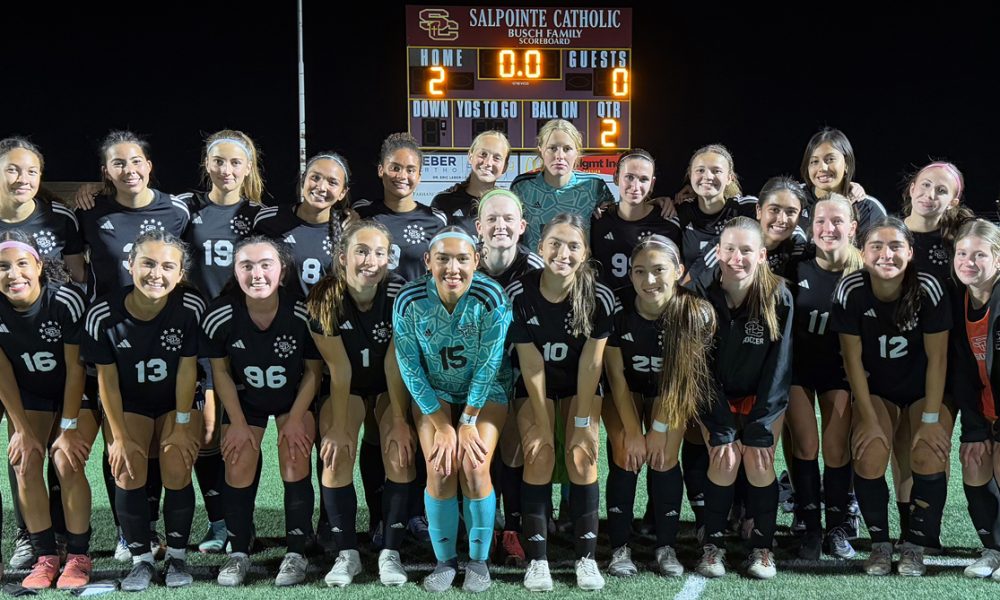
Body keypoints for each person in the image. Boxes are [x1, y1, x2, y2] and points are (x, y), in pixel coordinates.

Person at [81, 230, 205, 591]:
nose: (157, 274)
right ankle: (141, 560)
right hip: (130, 401)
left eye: (168, 266)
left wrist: (182, 424)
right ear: (130, 265)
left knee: (177, 458)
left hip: (176, 401)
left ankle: (179, 556)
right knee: (127, 464)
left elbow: (187, 369)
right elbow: (107, 382)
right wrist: (117, 438)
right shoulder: (103, 312)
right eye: (148, 263)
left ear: (180, 274)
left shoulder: (190, 306)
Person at [392, 226, 512, 592]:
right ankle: (444, 561)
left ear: (477, 260)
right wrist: (443, 425)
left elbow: (490, 364)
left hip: (486, 390)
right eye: (443, 259)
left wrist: (468, 419)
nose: (453, 268)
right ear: (428, 261)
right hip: (436, 391)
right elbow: (409, 366)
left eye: (462, 259)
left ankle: (478, 561)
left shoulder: (491, 296)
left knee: (474, 466)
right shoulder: (409, 300)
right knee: (441, 466)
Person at [831, 217, 951, 577]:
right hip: (877, 388)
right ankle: (881, 544)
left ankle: (914, 546)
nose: (886, 254)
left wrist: (930, 420)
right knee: (870, 451)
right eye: (877, 247)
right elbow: (851, 361)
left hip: (922, 388)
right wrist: (866, 416)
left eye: (896, 246)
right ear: (863, 253)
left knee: (928, 452)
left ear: (910, 253)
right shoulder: (850, 289)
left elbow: (938, 359)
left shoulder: (928, 287)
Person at [201, 236, 322, 587]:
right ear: (235, 271)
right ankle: (238, 552)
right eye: (247, 266)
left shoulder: (302, 311)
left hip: (292, 399)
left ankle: (296, 552)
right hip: (245, 400)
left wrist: (297, 418)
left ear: (281, 270)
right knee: (238, 459)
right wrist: (237, 423)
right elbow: (220, 372)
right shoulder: (221, 313)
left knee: (295, 455)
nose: (257, 274)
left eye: (265, 265)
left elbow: (314, 372)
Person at [507, 213, 615, 591]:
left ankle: (585, 558)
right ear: (539, 247)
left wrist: (582, 424)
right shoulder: (520, 293)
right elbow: (530, 361)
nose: (562, 252)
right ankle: (537, 561)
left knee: (582, 456)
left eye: (573, 245)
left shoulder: (598, 296)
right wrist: (541, 422)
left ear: (584, 254)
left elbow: (591, 363)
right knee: (539, 453)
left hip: (578, 387)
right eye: (554, 243)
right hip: (535, 386)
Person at [307, 220, 416, 587]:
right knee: (337, 452)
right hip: (347, 385)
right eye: (362, 251)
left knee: (399, 449)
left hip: (388, 383)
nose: (371, 260)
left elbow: (395, 362)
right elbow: (338, 369)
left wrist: (399, 418)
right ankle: (346, 553)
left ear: (390, 258)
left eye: (379, 253)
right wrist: (336, 430)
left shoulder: (400, 293)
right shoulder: (323, 299)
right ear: (343, 257)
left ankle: (391, 552)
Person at [603, 234, 715, 578]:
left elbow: (679, 383)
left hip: (670, 393)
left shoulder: (693, 311)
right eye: (639, 271)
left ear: (678, 270)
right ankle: (619, 546)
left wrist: (658, 430)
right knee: (625, 451)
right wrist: (635, 433)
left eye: (658, 270)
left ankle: (665, 546)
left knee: (664, 454)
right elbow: (616, 378)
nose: (649, 280)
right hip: (627, 392)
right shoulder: (616, 308)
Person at [691, 216, 793, 580]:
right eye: (730, 248)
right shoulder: (700, 295)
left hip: (758, 395)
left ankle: (762, 548)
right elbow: (697, 369)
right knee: (725, 458)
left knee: (760, 460)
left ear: (762, 255)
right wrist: (721, 426)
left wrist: (761, 424)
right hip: (713, 394)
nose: (737, 257)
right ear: (718, 251)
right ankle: (712, 545)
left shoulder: (778, 295)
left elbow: (778, 367)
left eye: (746, 250)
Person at [0, 232, 94, 589]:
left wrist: (68, 428)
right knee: (23, 461)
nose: (13, 274)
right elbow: (3, 372)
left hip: (78, 392)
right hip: (31, 394)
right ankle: (45, 555)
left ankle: (79, 556)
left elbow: (75, 370)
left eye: (22, 264)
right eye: (3, 267)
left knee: (65, 458)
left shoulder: (65, 300)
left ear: (39, 266)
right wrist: (21, 428)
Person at [786, 194, 864, 559]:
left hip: (840, 371)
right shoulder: (795, 266)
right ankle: (810, 528)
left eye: (837, 221)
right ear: (810, 226)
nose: (828, 228)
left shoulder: (864, 274)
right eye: (820, 221)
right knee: (805, 446)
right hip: (799, 369)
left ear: (852, 227)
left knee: (835, 448)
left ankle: (837, 528)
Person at [950, 219, 1000, 579]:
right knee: (973, 459)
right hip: (986, 409)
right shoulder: (960, 301)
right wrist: (974, 428)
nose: (968, 261)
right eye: (962, 253)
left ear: (998, 258)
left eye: (979, 254)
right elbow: (963, 375)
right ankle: (993, 548)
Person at [254, 152, 353, 297]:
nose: (321, 187)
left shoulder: (348, 228)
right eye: (315, 177)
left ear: (342, 192)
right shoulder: (270, 219)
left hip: (327, 318)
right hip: (280, 317)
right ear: (303, 180)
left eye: (332, 182)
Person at [354, 133, 447, 282]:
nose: (402, 176)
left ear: (419, 176)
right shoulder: (361, 213)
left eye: (410, 170)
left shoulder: (435, 220)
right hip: (372, 305)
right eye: (395, 168)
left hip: (415, 305)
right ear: (380, 170)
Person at [510, 119, 614, 250]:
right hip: (534, 269)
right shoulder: (522, 187)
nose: (559, 156)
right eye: (552, 148)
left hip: (578, 269)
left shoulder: (594, 186)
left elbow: (613, 223)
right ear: (541, 150)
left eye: (567, 149)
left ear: (577, 152)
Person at [589, 149, 681, 290]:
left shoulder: (668, 223)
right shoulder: (598, 220)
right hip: (608, 308)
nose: (635, 186)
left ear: (652, 183)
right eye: (629, 177)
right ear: (616, 177)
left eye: (643, 179)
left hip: (652, 308)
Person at [431, 131, 512, 237]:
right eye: (483, 154)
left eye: (496, 158)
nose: (488, 163)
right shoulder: (444, 202)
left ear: (505, 167)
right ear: (470, 156)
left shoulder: (509, 204)